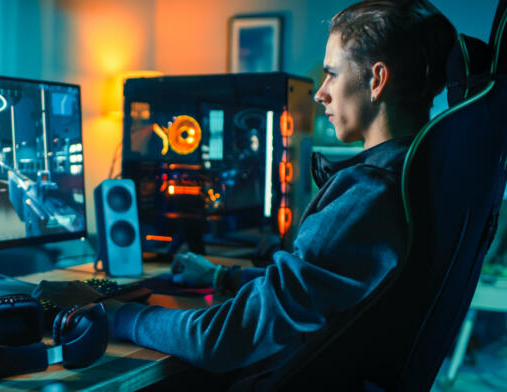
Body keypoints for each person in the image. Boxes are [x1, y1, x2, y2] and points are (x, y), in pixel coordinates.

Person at [35, 0, 457, 389]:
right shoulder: (416, 176)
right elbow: (313, 288)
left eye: (331, 73)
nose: (320, 92)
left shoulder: (368, 195)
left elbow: (221, 341)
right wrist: (222, 276)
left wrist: (111, 312)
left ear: (377, 79)